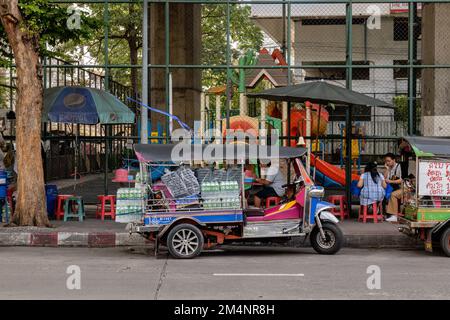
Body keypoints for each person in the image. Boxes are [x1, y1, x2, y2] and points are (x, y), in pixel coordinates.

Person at [384, 152, 403, 222]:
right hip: (394, 187)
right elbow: (385, 178)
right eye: (386, 161)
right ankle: (386, 213)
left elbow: (402, 180)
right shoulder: (389, 168)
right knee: (383, 193)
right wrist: (386, 169)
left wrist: (391, 181)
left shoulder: (399, 167)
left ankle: (394, 215)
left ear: (394, 160)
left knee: (393, 194)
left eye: (388, 161)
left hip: (403, 188)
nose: (387, 163)